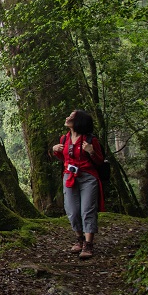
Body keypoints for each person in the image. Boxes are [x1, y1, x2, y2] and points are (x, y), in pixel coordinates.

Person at [51, 110, 105, 259]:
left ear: (79, 122)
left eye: (72, 117)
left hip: (88, 177)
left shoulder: (89, 140)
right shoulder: (64, 138)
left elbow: (100, 161)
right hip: (69, 176)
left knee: (87, 210)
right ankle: (79, 239)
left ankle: (88, 244)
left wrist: (91, 152)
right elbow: (65, 158)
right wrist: (55, 150)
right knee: (72, 210)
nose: (67, 118)